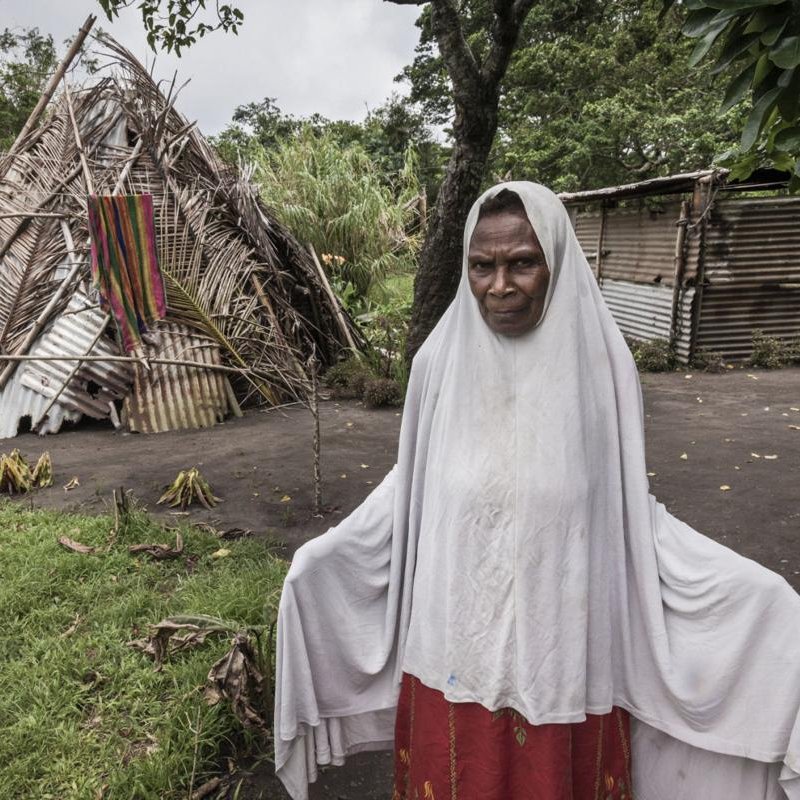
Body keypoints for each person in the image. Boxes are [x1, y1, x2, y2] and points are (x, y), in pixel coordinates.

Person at [275, 182, 800, 800]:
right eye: (482, 266)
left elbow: (625, 510)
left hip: (565, 658)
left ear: (556, 261)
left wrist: (759, 600)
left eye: (522, 263)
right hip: (453, 652)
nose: (500, 286)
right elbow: (412, 492)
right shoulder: (438, 368)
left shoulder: (600, 368)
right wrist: (325, 561)